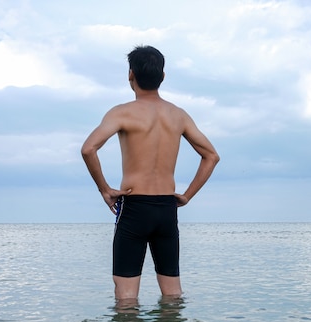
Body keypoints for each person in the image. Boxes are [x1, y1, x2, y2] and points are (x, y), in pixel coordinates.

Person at [81, 45, 219, 301]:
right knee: (173, 292)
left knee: (126, 296)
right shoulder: (179, 115)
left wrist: (105, 189)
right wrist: (187, 196)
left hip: (135, 208)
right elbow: (211, 156)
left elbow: (89, 149)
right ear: (163, 77)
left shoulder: (121, 112)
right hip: (167, 209)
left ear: (130, 75)